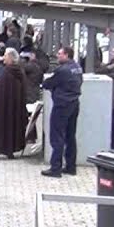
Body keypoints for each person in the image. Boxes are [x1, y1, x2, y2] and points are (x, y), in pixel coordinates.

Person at [42, 46, 83, 177]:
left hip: (62, 104)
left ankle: (55, 168)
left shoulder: (62, 70)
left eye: (60, 54)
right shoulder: (77, 67)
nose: (57, 56)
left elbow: (49, 83)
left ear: (67, 55)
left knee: (57, 136)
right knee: (70, 136)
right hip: (74, 103)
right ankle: (71, 166)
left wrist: (45, 84)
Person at [0, 48, 28, 160]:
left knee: (1, 126)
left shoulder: (8, 72)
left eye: (5, 56)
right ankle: (10, 150)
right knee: (12, 126)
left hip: (3, 107)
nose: (3, 58)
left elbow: (1, 89)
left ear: (11, 58)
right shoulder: (19, 71)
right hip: (15, 107)